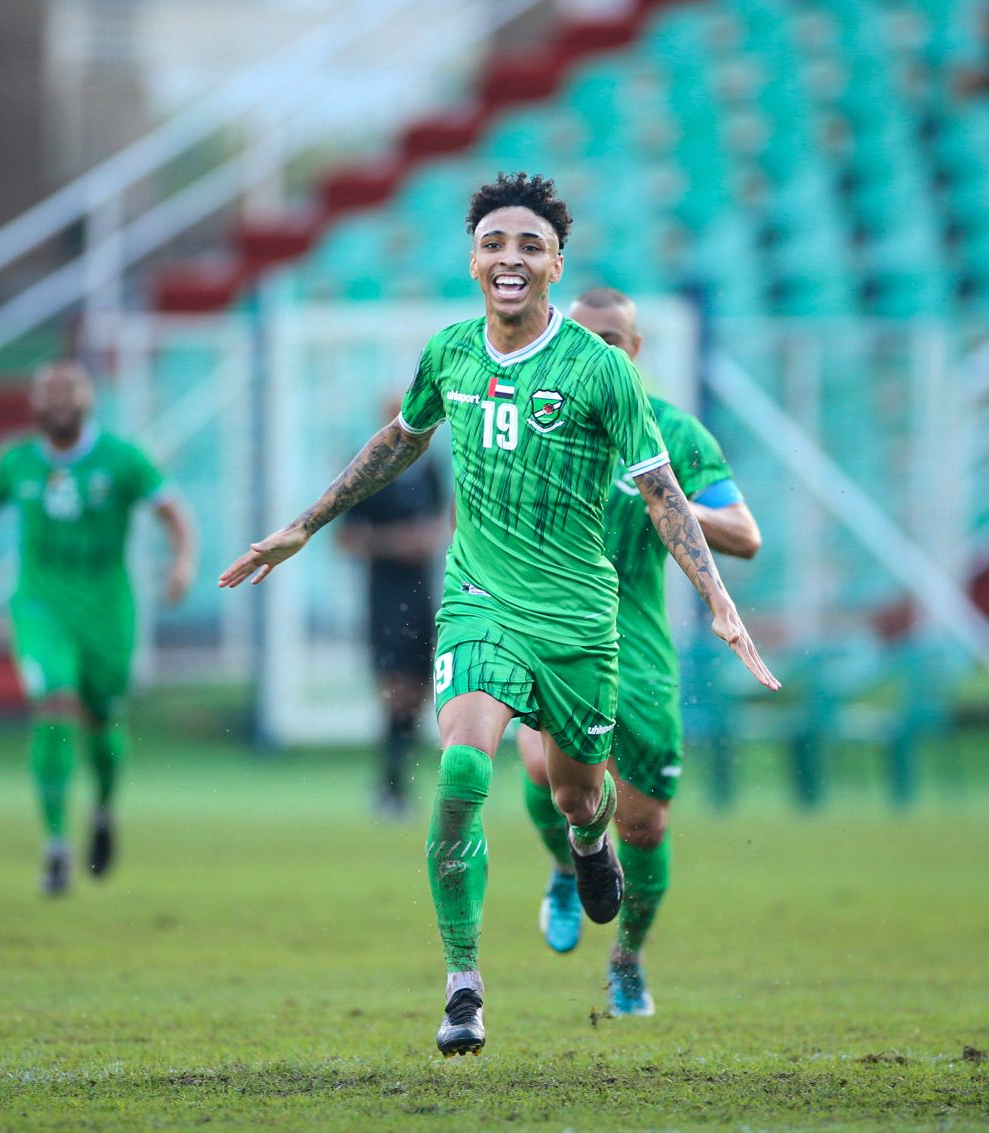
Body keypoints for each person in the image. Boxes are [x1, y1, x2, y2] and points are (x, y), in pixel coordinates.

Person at [219, 172, 779, 1057]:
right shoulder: (448, 353)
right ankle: (463, 985)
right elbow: (397, 443)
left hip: (581, 623)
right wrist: (301, 525)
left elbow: (666, 492)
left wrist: (719, 605)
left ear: (555, 262)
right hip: (479, 602)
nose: (508, 258)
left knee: (583, 797)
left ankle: (586, 850)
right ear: (473, 258)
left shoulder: (602, 376)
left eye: (527, 245)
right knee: (462, 775)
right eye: (493, 243)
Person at [517, 287, 762, 1018]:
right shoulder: (537, 422)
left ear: (635, 350)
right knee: (541, 763)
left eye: (613, 339)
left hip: (640, 649)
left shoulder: (674, 434)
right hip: (551, 629)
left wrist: (664, 499)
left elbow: (745, 535)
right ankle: (568, 864)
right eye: (584, 338)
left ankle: (627, 957)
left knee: (643, 823)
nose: (599, 351)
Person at [0, 361, 196, 896]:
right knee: (53, 702)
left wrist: (183, 561)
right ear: (34, 404)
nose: (58, 399)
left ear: (88, 399)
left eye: (68, 389)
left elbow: (173, 510)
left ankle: (102, 810)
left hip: (106, 609)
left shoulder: (122, 459)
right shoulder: (16, 462)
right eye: (48, 390)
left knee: (101, 718)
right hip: (40, 607)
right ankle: (56, 845)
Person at [337, 393, 449, 817]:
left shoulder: (431, 467)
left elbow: (441, 522)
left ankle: (395, 783)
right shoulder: (366, 465)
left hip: (424, 594)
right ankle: (390, 784)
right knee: (394, 690)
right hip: (384, 595)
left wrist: (428, 538)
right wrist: (395, 542)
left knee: (418, 692)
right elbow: (346, 537)